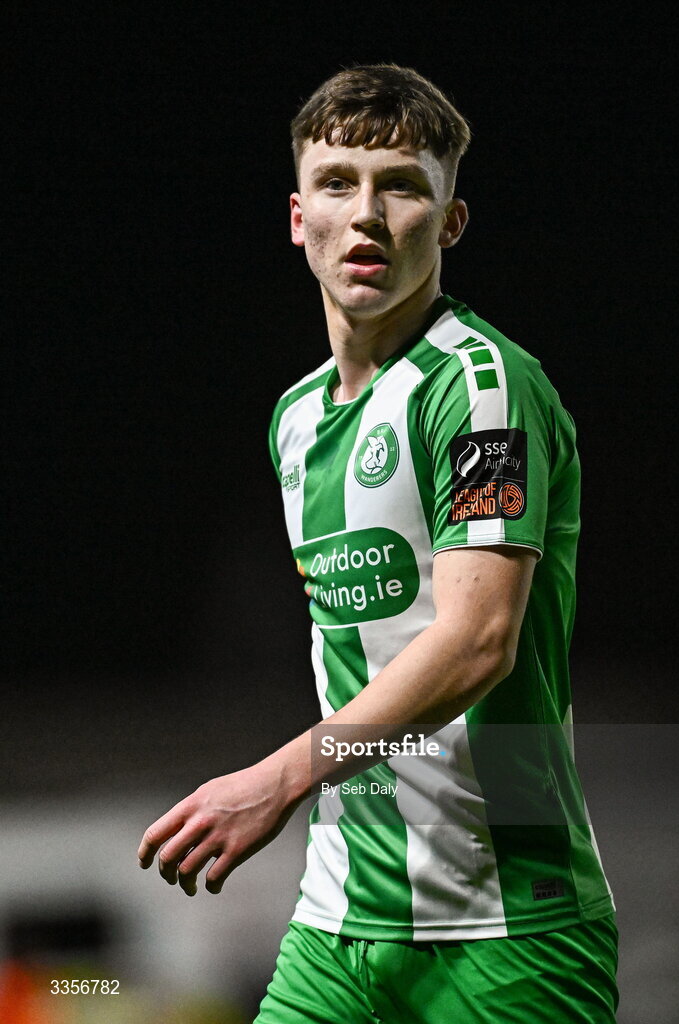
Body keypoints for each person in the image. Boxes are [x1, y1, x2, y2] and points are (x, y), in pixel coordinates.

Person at [138, 64, 618, 1022]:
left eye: (402, 184)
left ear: (449, 223)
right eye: (338, 183)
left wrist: (278, 780)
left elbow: (479, 643)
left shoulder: (483, 389)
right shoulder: (295, 419)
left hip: (505, 931)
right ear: (295, 215)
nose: (366, 214)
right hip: (340, 920)